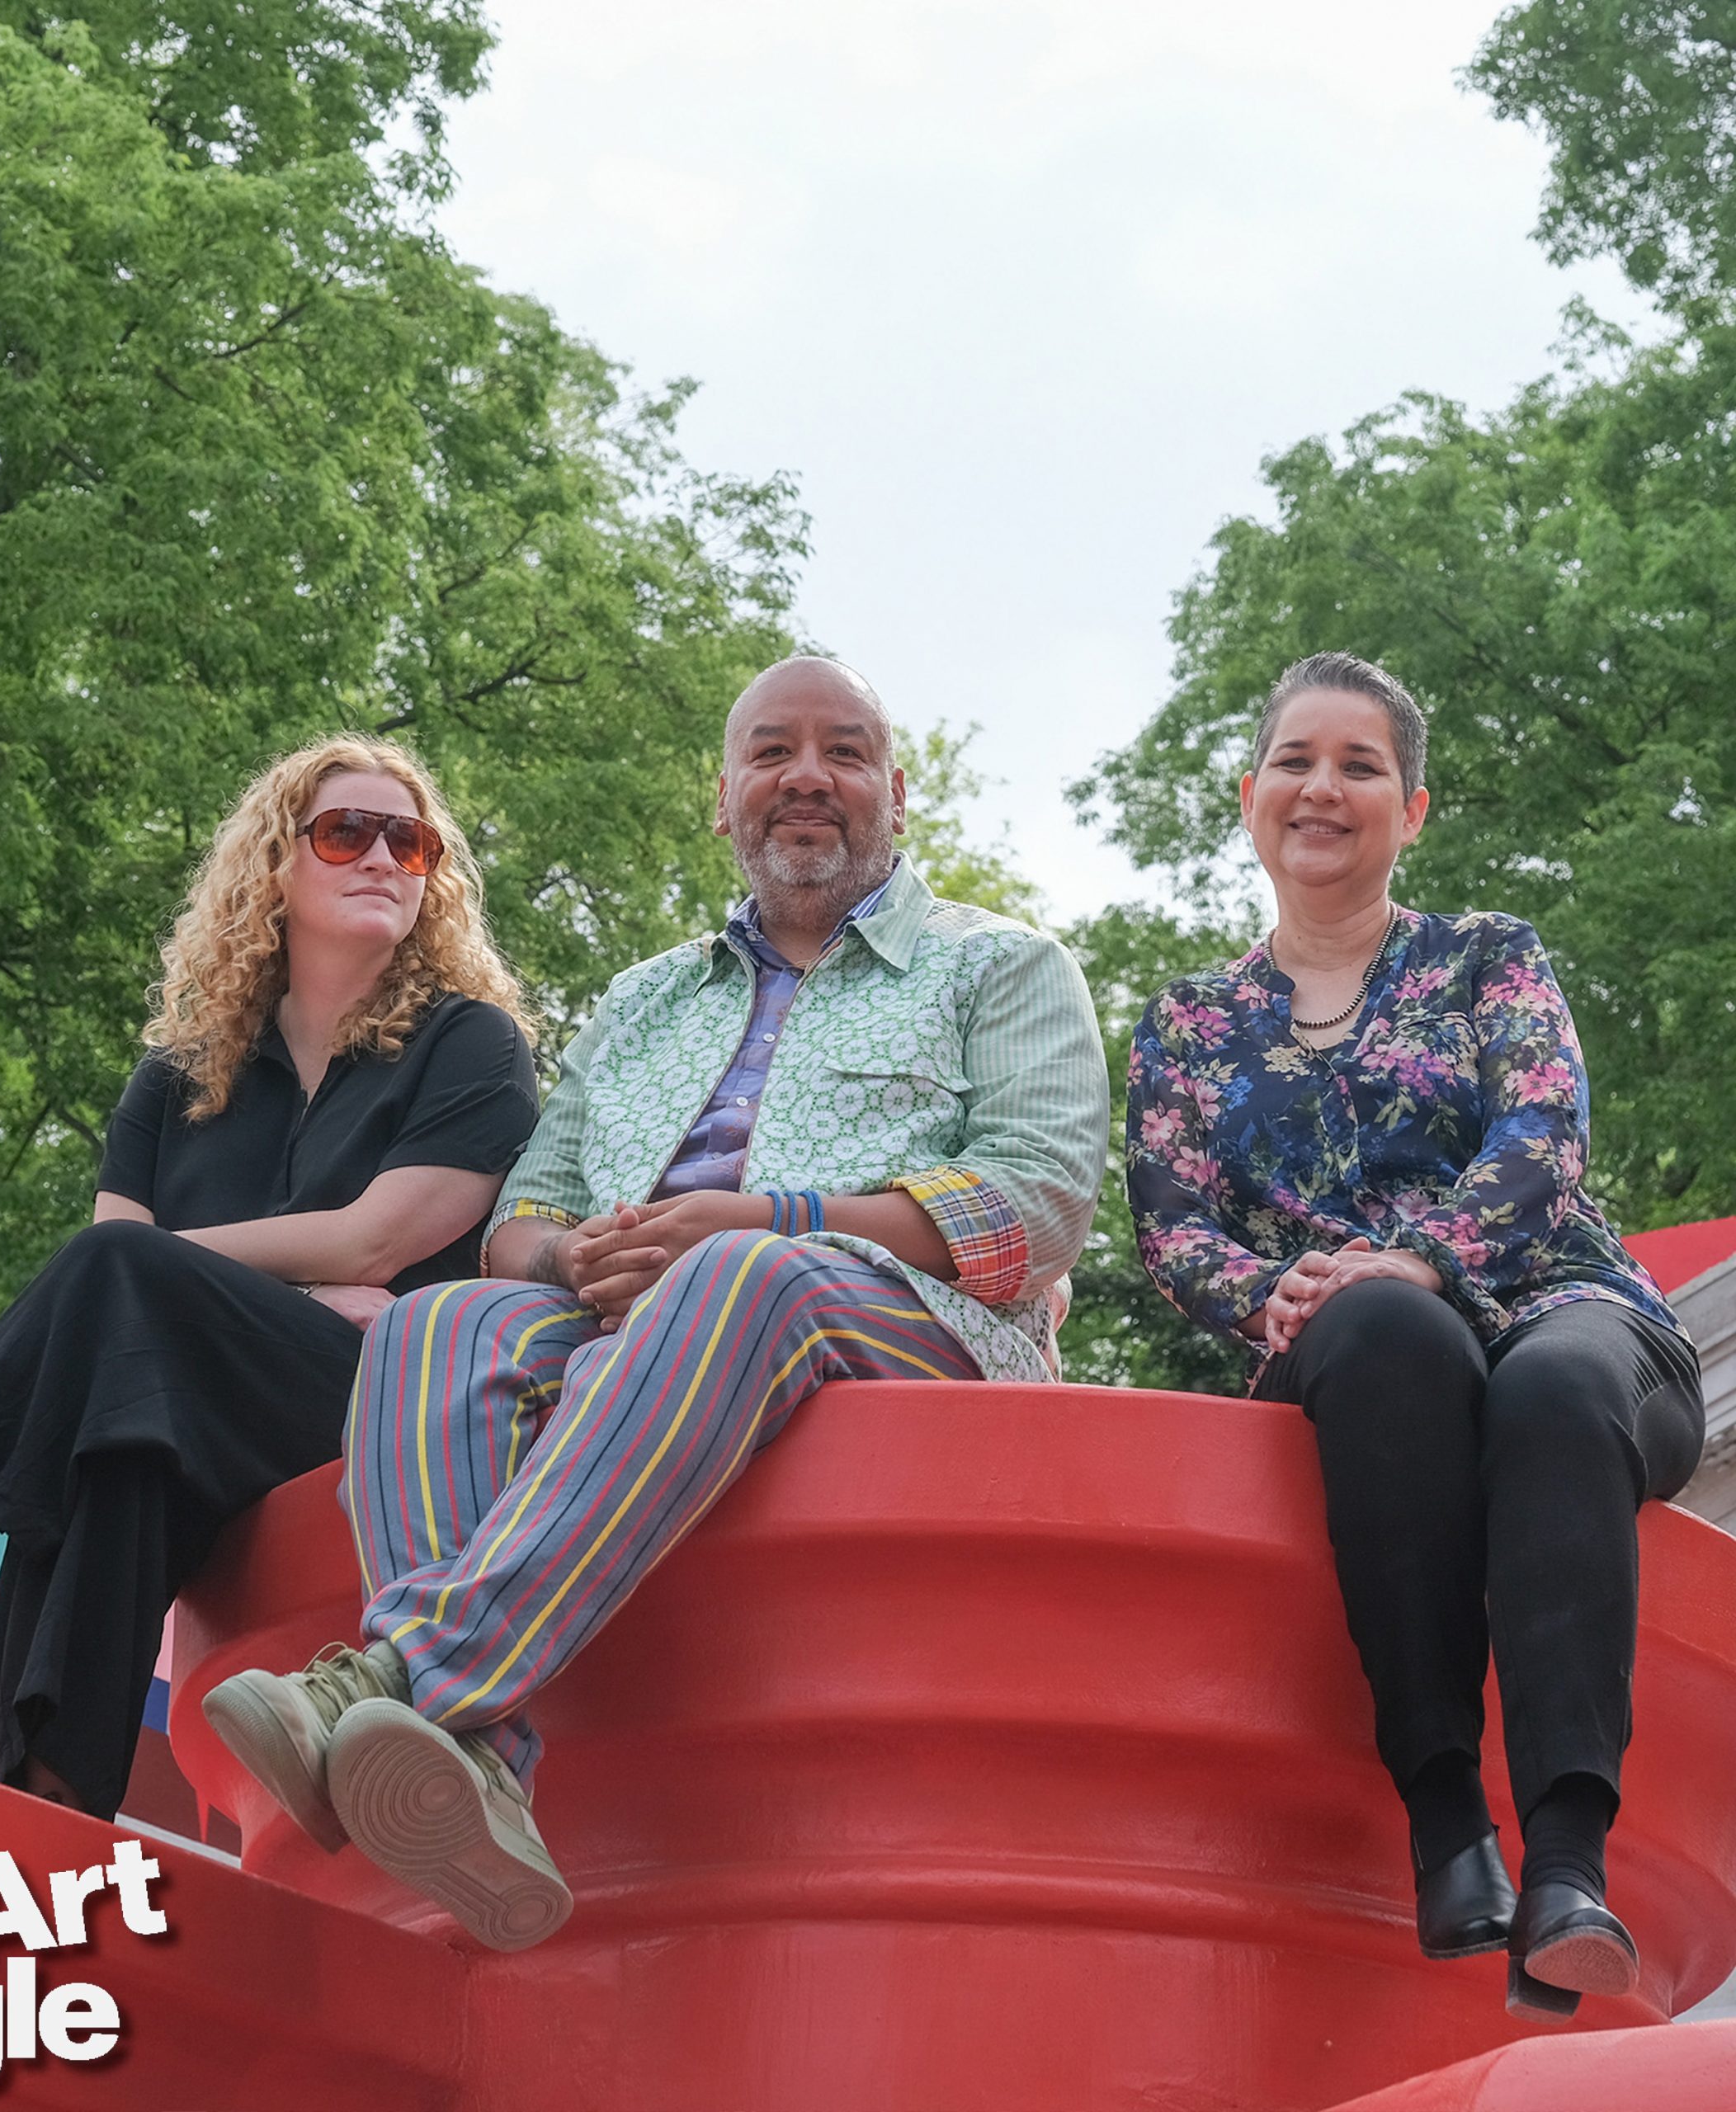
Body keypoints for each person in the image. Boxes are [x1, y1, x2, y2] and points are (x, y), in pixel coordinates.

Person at [200, 653, 1110, 1951]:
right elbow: (525, 1209)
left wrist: (767, 1219)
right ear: (726, 796)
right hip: (636, 1320)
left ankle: (398, 1675)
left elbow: (1036, 1208)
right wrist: (572, 1262)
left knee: (745, 1275)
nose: (808, 775)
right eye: (772, 752)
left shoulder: (1001, 967)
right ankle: (482, 1770)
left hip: (908, 1321)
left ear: (897, 797)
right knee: (432, 1322)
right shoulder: (644, 1000)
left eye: (845, 752)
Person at [0, 735, 538, 1822]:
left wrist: (190, 1273)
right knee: (112, 1438)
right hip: (194, 1415)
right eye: (349, 832)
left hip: (380, 1402)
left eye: (413, 843)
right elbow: (107, 1308)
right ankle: (48, 1818)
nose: (384, 859)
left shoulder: (472, 1045)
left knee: (119, 1299)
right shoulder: (176, 1076)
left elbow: (372, 1246)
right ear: (276, 866)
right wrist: (221, 1282)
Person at [1125, 651, 1704, 2020]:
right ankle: (1448, 1825)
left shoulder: (1489, 957)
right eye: (1296, 762)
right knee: (1387, 1331)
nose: (1323, 788)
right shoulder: (1191, 1022)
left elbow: (1542, 1136)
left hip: (1565, 1305)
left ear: (1414, 808)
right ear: (1251, 792)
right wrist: (1271, 1293)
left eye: (1361, 767)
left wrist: (1427, 1251)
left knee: (1552, 1387)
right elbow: (1169, 1221)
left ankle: (1568, 1865)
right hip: (1349, 1340)